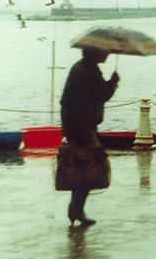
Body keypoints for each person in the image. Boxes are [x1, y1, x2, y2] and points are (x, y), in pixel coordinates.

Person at [60, 47, 120, 226]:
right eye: (105, 52)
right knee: (88, 165)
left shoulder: (80, 67)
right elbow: (103, 94)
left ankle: (76, 209)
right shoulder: (89, 70)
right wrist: (113, 82)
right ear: (96, 53)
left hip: (75, 124)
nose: (107, 54)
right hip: (82, 126)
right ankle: (76, 209)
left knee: (82, 165)